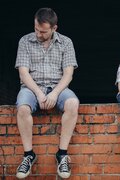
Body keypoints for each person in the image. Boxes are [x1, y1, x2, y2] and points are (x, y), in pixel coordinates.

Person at [15, 7, 79, 179]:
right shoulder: (25, 41)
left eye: (43, 32)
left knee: (73, 103)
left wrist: (54, 94)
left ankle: (62, 154)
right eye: (36, 29)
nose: (38, 33)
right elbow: (23, 73)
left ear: (54, 28)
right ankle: (29, 155)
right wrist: (38, 93)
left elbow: (68, 74)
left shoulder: (66, 42)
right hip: (31, 87)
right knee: (22, 107)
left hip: (58, 87)